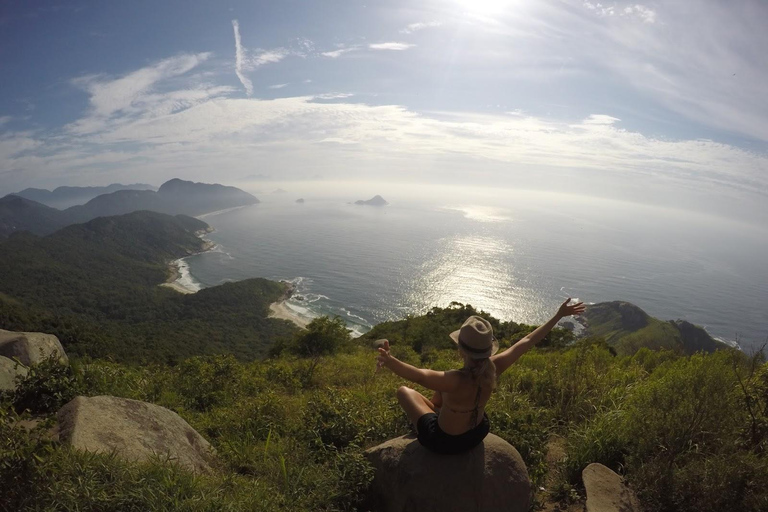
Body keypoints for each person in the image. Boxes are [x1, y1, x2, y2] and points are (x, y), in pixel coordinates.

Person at [376, 298, 586, 454]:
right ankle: (439, 412)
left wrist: (390, 360)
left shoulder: (453, 379)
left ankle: (432, 419)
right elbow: (527, 341)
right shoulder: (494, 366)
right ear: (488, 349)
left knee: (404, 392)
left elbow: (418, 376)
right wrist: (558, 315)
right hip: (477, 434)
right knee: (439, 388)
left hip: (444, 441)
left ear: (461, 350)